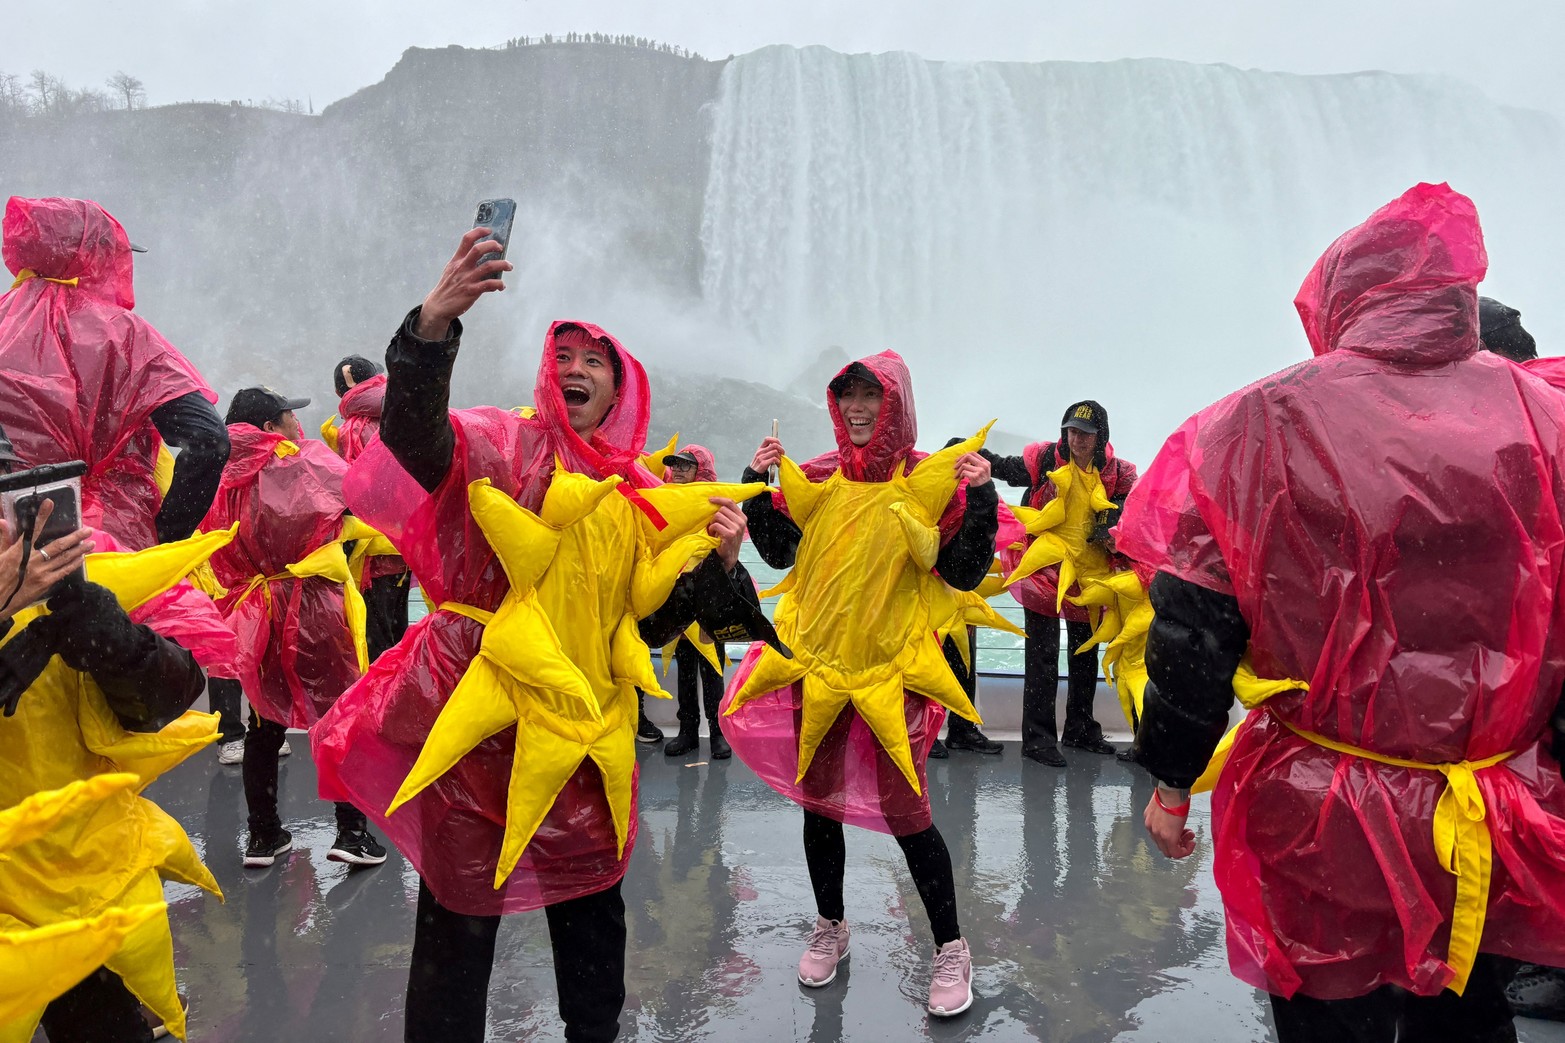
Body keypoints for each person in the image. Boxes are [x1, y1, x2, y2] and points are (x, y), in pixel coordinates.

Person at [1120, 183, 1565, 1043]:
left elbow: (1191, 623)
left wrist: (1173, 779)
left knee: (1327, 1010)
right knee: (1463, 1010)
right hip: (1487, 800)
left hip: (1320, 803)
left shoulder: (1253, 422)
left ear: (1339, 297)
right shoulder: (1546, 421)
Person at [311, 227, 776, 1043]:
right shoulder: (498, 442)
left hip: (588, 729)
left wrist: (717, 567)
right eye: (564, 354)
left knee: (594, 929)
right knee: (457, 934)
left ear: (622, 388)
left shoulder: (633, 496)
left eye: (597, 360)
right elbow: (417, 441)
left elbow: (650, 621)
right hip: (479, 729)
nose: (577, 367)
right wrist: (430, 330)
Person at [727, 351, 999, 1016]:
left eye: (869, 397)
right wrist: (753, 480)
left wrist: (986, 495)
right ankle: (831, 924)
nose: (855, 408)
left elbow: (962, 573)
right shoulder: (817, 476)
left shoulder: (931, 481)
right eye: (846, 395)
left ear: (894, 405)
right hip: (817, 669)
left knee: (912, 819)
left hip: (890, 677)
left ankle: (950, 946)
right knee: (818, 808)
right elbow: (777, 551)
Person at [0, 422, 234, 1042]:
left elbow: (167, 699)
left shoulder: (77, 562)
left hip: (83, 883)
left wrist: (110, 637)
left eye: (4, 494)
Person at [201, 386, 386, 870]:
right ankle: (351, 832)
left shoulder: (218, 477)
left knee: (264, 722)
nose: (296, 426)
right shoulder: (302, 463)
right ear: (269, 428)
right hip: (315, 606)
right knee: (339, 715)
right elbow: (361, 497)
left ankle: (263, 836)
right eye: (289, 417)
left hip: (259, 611)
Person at [0, 196, 230, 552]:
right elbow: (210, 440)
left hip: (9, 539)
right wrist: (167, 533)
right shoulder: (123, 333)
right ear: (94, 258)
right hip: (104, 536)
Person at [983, 402, 1138, 765]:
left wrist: (1110, 528)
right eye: (1071, 431)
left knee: (1084, 655)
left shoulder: (1118, 473)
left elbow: (1128, 508)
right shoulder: (1045, 460)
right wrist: (971, 450)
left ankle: (1081, 729)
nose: (1076, 440)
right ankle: (1037, 741)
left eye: (1084, 434)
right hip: (1043, 571)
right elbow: (1006, 468)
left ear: (1101, 436)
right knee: (1042, 655)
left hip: (1090, 575)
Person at [324, 354, 413, 665]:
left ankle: (385, 703)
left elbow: (352, 491)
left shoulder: (351, 430)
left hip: (372, 548)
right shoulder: (401, 414)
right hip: (407, 542)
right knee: (400, 632)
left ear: (339, 394)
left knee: (378, 641)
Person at [661, 444, 746, 760]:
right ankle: (687, 732)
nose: (679, 470)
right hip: (679, 603)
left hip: (711, 604)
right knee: (685, 669)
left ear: (702, 469)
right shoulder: (667, 504)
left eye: (686, 465)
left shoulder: (716, 505)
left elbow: (730, 549)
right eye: (675, 465)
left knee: (712, 672)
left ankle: (718, 733)